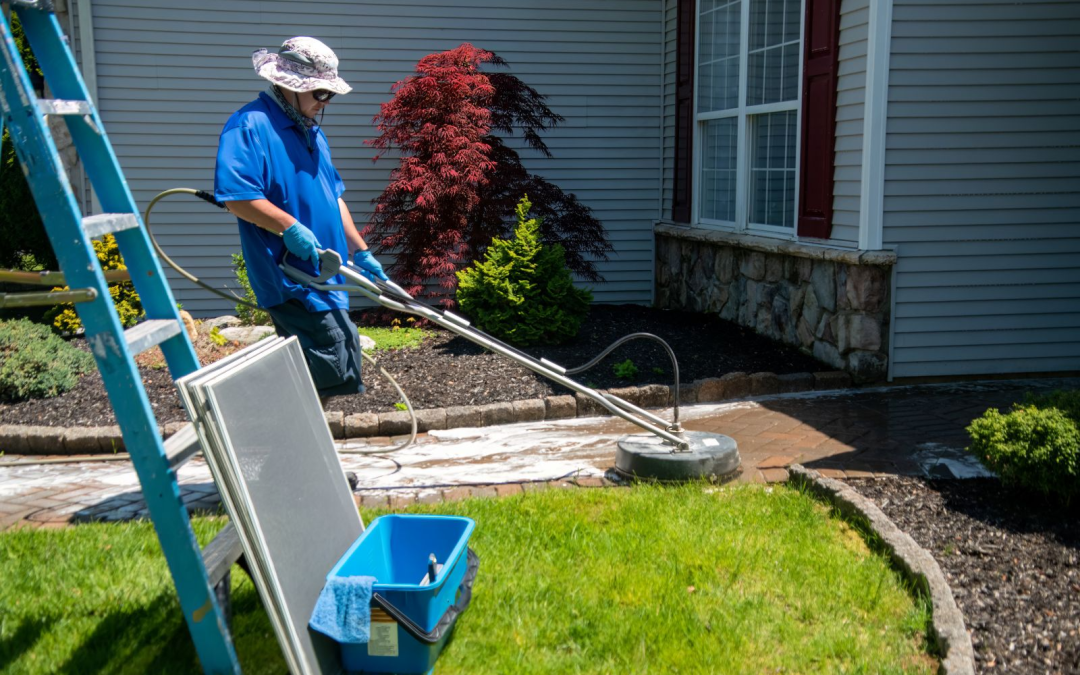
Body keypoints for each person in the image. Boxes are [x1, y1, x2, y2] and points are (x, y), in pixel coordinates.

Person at [214, 37, 389, 399]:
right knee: (325, 369)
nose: (325, 102)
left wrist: (361, 250)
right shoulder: (249, 126)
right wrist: (289, 227)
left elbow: (332, 196)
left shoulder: (311, 132)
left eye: (329, 95)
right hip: (292, 278)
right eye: (320, 93)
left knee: (338, 360)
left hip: (327, 274)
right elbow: (238, 198)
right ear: (288, 86)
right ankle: (295, 450)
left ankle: (310, 449)